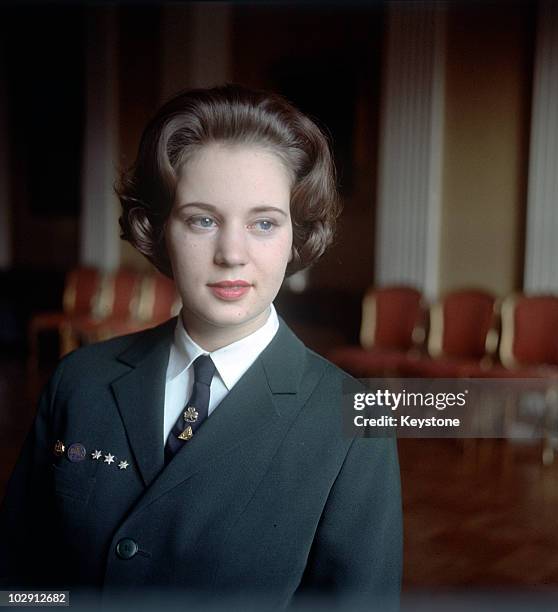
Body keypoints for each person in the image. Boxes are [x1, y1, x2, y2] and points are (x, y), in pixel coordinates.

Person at [0, 85, 402, 610]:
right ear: (158, 228)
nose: (231, 254)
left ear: (296, 237)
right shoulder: (79, 381)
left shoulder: (356, 422)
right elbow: (22, 588)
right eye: (202, 219)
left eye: (263, 223)